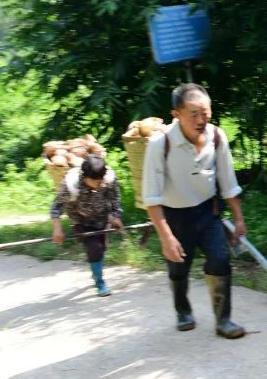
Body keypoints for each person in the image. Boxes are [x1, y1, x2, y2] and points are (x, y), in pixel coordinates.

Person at [141, 83, 248, 339]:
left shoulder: (217, 136)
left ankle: (224, 320)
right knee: (179, 268)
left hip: (208, 212)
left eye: (206, 112)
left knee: (220, 260)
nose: (201, 120)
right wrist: (166, 238)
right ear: (176, 114)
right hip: (174, 217)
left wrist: (239, 218)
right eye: (194, 114)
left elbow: (228, 181)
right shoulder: (160, 145)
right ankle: (183, 311)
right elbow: (151, 198)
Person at [50, 155, 125, 296]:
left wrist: (116, 217)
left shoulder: (108, 178)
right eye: (94, 181)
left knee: (101, 248)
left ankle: (95, 270)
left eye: (100, 180)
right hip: (81, 220)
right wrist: (57, 230)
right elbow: (56, 207)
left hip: (102, 218)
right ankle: (100, 281)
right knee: (95, 247)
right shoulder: (70, 185)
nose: (98, 184)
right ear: (84, 176)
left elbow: (115, 199)